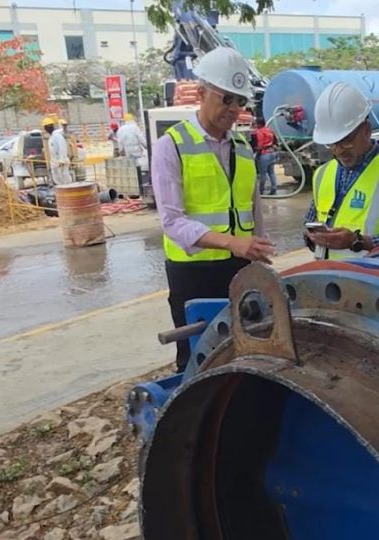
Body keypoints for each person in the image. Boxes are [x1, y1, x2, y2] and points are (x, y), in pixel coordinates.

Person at [151, 47, 275, 373]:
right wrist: (233, 242)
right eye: (226, 99)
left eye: (240, 101)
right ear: (203, 93)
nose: (234, 109)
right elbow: (172, 222)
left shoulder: (244, 148)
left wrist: (258, 247)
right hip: (194, 274)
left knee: (243, 351)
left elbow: (253, 207)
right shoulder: (172, 145)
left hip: (239, 268)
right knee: (197, 360)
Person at [303, 81, 379, 260]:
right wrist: (313, 237)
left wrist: (358, 241)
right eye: (332, 143)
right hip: (330, 279)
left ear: (366, 130)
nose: (339, 150)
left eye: (346, 141)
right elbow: (309, 222)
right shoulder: (322, 173)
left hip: (375, 279)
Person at [42, 117, 72, 185]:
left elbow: (62, 148)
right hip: (55, 162)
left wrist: (61, 159)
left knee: (64, 178)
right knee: (58, 179)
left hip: (61, 162)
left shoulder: (57, 136)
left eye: (48, 126)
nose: (47, 128)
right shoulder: (52, 137)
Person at [252, 117, 278, 195]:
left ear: (259, 124)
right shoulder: (269, 130)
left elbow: (260, 144)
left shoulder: (259, 132)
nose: (255, 125)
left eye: (256, 124)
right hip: (272, 153)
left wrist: (255, 150)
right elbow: (275, 141)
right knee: (271, 172)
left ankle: (261, 191)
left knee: (262, 174)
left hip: (264, 154)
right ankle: (274, 188)